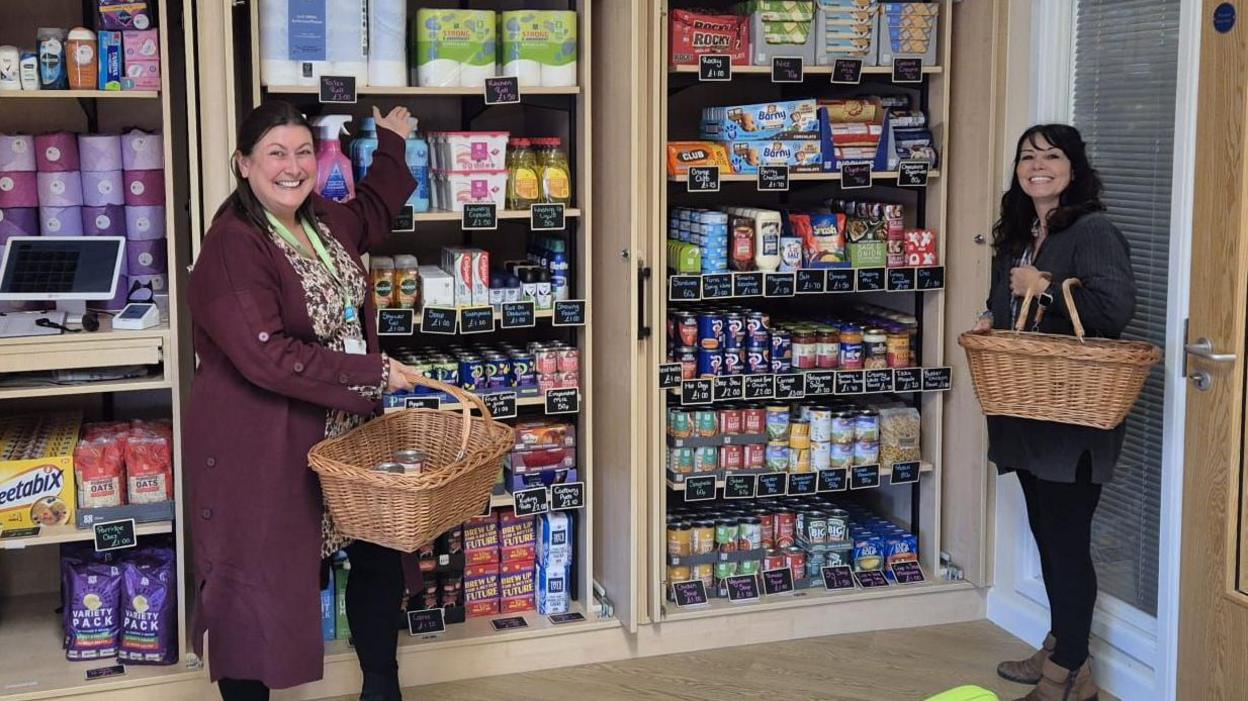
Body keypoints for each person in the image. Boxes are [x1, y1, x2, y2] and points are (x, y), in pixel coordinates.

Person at [185, 100, 419, 701]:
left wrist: (390, 142)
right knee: (255, 579)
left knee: (376, 548)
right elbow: (269, 357)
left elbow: (371, 212)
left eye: (303, 152)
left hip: (348, 430)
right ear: (243, 164)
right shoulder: (233, 246)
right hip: (269, 442)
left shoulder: (321, 219)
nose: (292, 167)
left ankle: (382, 687)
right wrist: (374, 372)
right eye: (275, 154)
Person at [972, 124, 1136, 701]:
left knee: (1066, 544)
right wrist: (995, 316)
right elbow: (1008, 301)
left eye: (1051, 156)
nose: (1037, 166)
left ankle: (1067, 675)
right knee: (1047, 536)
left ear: (1074, 168)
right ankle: (1062, 645)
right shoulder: (1023, 233)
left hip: (1073, 419)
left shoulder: (1094, 230)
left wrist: (1041, 287)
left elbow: (1113, 311)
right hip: (1027, 409)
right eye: (1027, 156)